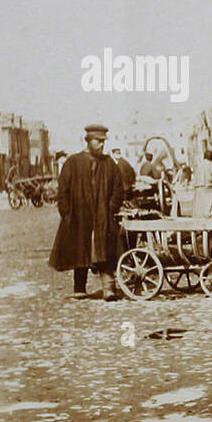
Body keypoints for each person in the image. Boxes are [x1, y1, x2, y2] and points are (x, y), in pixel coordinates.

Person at [48, 123, 126, 299]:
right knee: (80, 249)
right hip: (79, 215)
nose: (102, 145)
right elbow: (63, 190)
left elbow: (118, 189)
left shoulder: (109, 164)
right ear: (89, 141)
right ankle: (79, 287)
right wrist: (67, 213)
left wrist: (110, 208)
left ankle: (109, 288)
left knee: (103, 248)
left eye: (103, 141)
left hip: (102, 215)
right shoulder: (73, 162)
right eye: (98, 141)